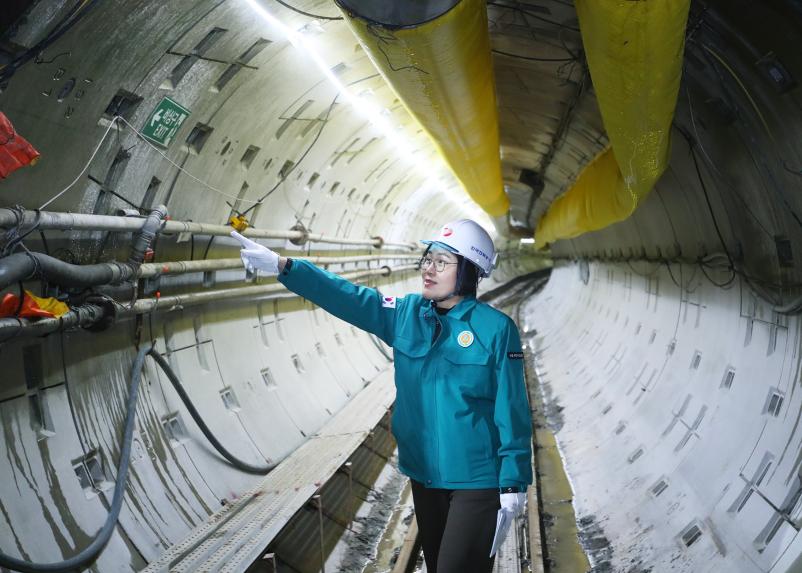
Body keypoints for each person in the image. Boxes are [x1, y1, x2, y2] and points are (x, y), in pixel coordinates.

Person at [232, 219, 532, 572]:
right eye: (428, 259)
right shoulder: (406, 314)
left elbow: (511, 409)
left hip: (478, 480)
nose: (429, 270)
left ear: (468, 271)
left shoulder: (496, 330)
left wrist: (514, 480)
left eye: (441, 262)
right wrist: (286, 267)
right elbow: (348, 297)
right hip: (424, 474)